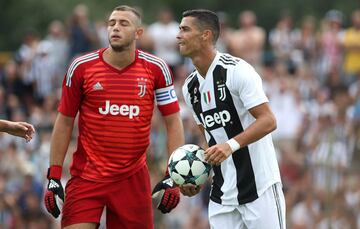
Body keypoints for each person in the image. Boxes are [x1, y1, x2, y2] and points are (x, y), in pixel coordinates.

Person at [43, 5, 184, 229]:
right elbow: (64, 122)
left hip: (133, 179)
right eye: (111, 23)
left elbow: (173, 122)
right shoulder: (81, 67)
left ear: (138, 33)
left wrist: (173, 176)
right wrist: (53, 176)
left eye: (123, 23)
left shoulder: (157, 69)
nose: (115, 28)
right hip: (86, 178)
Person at [178, 9, 286, 228]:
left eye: (185, 29)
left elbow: (268, 120)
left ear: (205, 35)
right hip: (223, 197)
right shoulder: (189, 88)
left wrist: (230, 145)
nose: (178, 35)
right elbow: (209, 138)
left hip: (259, 189)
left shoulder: (237, 71)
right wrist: (194, 175)